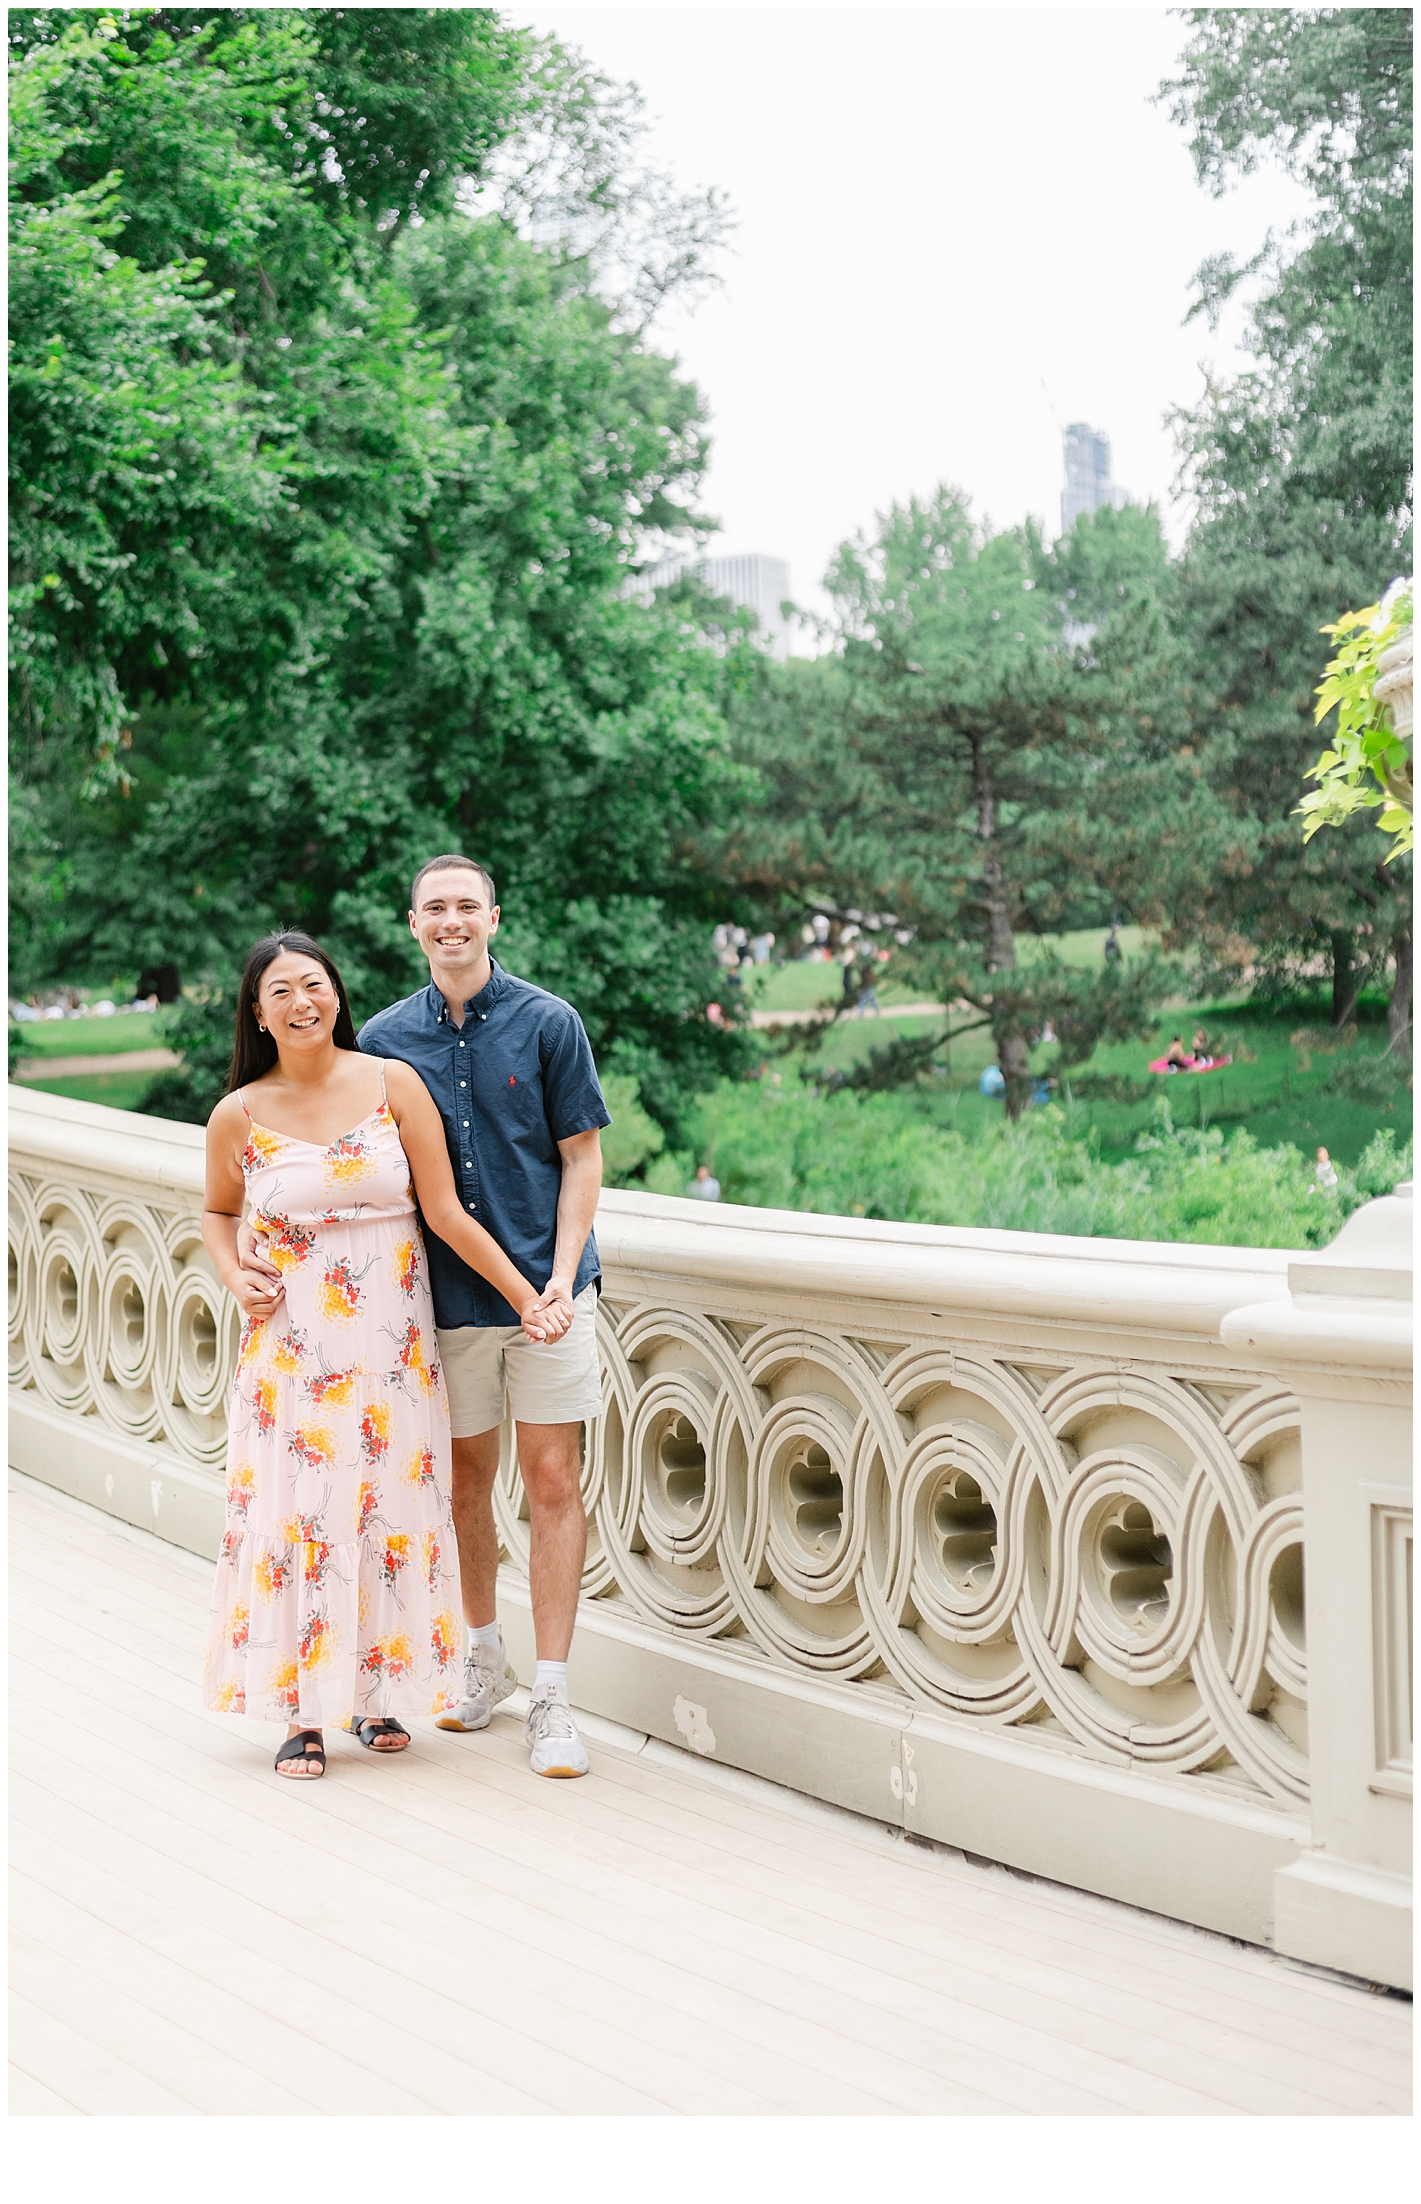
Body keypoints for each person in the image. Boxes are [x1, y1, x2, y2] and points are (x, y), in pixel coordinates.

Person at [242, 858, 609, 1780]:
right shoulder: (385, 1039)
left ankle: (555, 1698)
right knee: (464, 1484)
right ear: (413, 924)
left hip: (552, 1295)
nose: (452, 923)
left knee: (554, 1479)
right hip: (440, 1305)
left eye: (466, 907)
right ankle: (482, 1656)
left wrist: (556, 1281)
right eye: (434, 909)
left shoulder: (549, 1022)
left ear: (494, 915)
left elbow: (582, 1160)